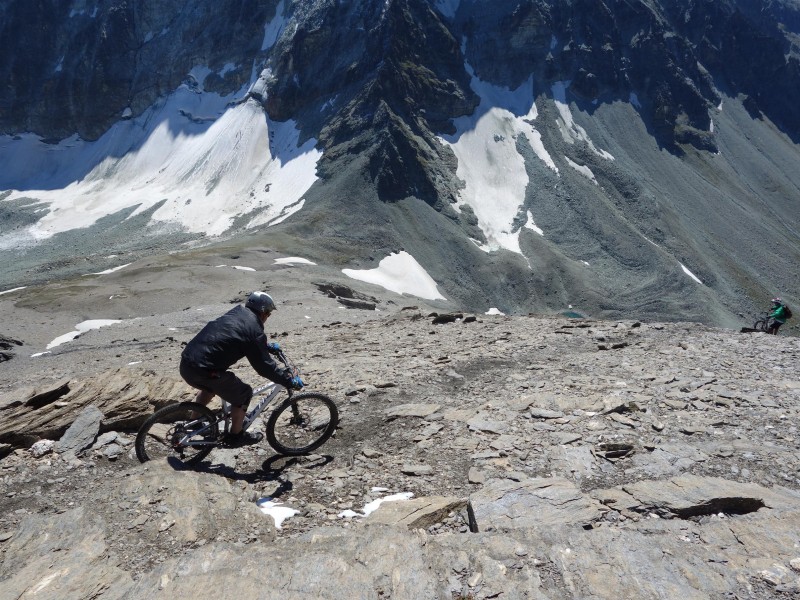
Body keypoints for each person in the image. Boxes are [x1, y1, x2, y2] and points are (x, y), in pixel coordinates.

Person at [179, 292, 303, 446]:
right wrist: (288, 381)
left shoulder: (236, 312)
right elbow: (264, 367)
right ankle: (235, 436)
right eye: (268, 314)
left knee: (210, 387)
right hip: (204, 371)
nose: (267, 317)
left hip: (187, 364)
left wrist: (264, 345)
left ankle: (195, 421)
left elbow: (233, 335)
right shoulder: (255, 331)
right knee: (244, 393)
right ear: (263, 312)